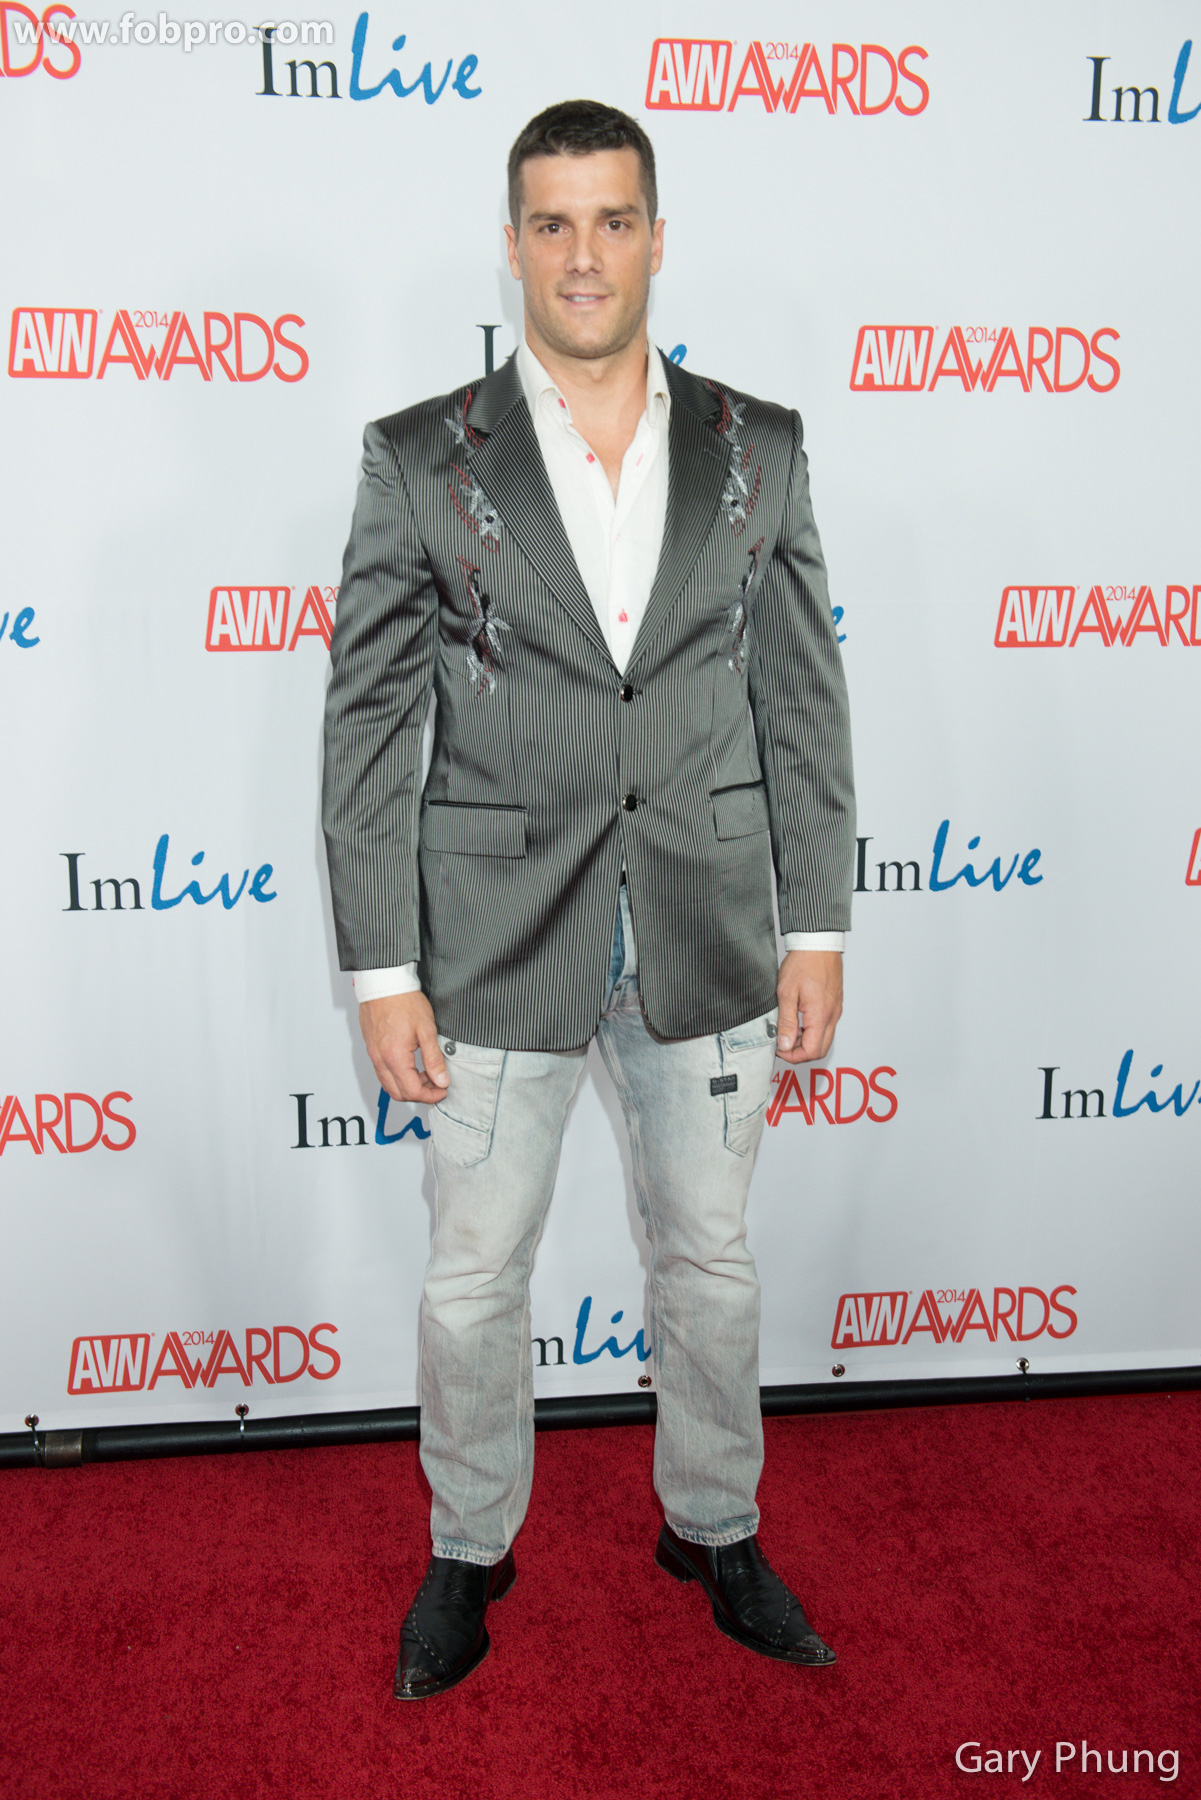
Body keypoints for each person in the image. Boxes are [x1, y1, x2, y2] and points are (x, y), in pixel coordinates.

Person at [322, 99, 855, 1700]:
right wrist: (381, 969)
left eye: (611, 220)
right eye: (550, 223)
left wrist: (814, 926)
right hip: (492, 937)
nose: (581, 254)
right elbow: (368, 726)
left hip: (708, 922)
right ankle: (468, 1547)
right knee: (472, 1278)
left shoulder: (759, 446)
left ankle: (715, 1528)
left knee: (711, 1264)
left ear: (655, 238)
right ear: (511, 245)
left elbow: (801, 700)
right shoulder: (421, 456)